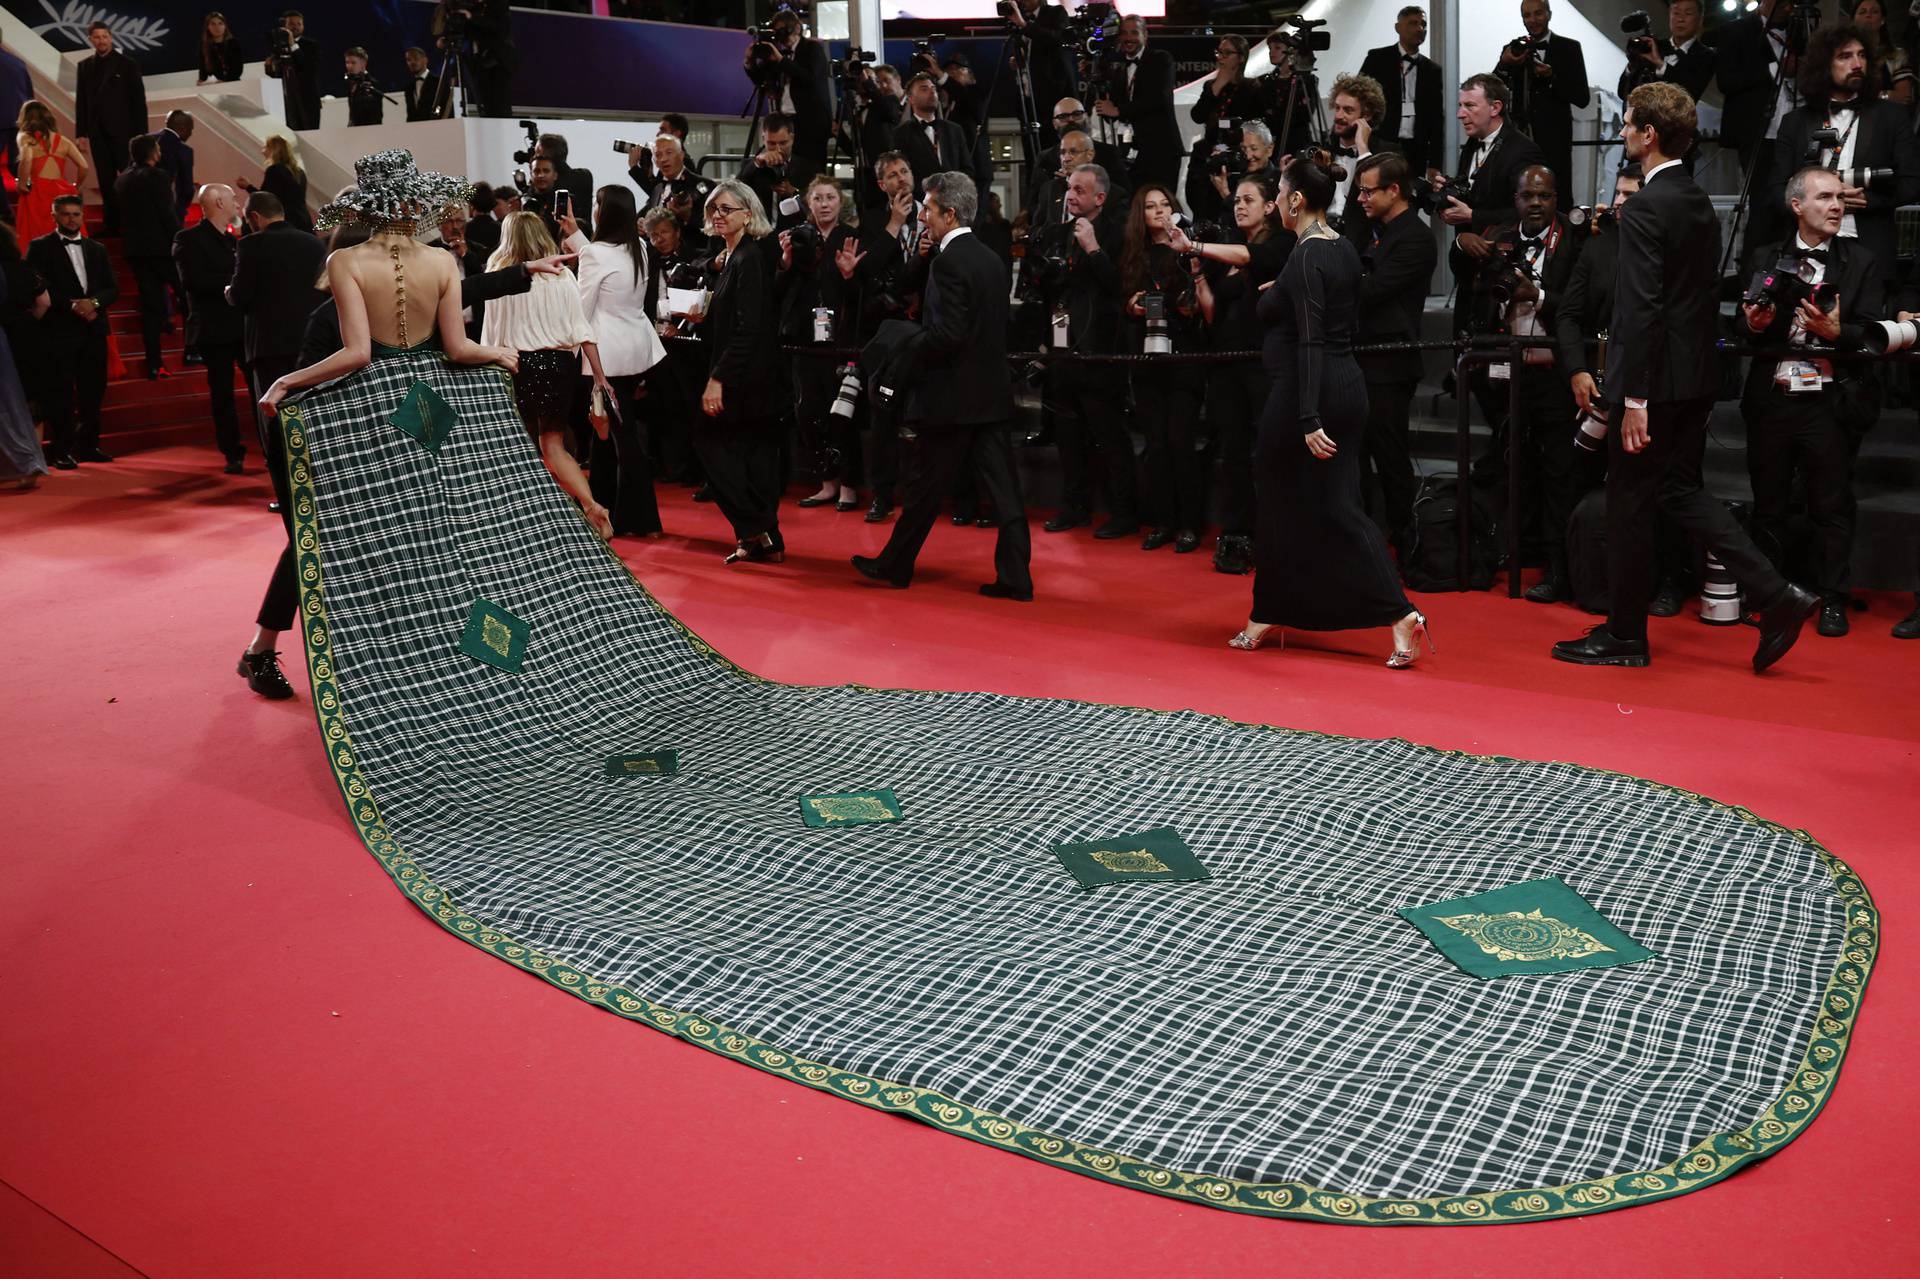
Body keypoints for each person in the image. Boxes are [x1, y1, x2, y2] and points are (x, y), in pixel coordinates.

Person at [1552, 83, 1817, 672]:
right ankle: (1777, 595)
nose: (1621, 134)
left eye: (1627, 126)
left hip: (1655, 385)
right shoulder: (1695, 198)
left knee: (1627, 504)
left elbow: (1644, 306)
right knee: (1677, 491)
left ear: (1648, 134)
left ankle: (1625, 636)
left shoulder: (1647, 205)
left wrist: (1637, 397)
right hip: (1694, 377)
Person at [240, 149, 520, 700]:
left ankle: (395, 660)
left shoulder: (346, 262)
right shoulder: (441, 262)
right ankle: (454, 657)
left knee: (345, 532)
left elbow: (359, 355)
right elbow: (460, 348)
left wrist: (286, 383)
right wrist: (499, 354)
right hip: (427, 410)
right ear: (414, 202)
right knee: (443, 526)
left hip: (362, 413)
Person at [1230, 154, 1428, 667]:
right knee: (1313, 502)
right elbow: (1339, 312)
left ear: (1296, 200)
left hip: (1306, 392)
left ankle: (1395, 610)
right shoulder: (1340, 247)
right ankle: (1275, 609)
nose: (1273, 200)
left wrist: (1307, 417)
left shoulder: (1308, 256)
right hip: (1343, 386)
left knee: (1309, 502)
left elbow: (1314, 340)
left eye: (1277, 192)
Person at [853, 171, 1031, 600]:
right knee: (1005, 496)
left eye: (928, 209)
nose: (923, 217)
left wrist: (905, 348)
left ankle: (895, 566)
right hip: (990, 395)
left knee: (923, 490)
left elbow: (948, 335)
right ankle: (1016, 579)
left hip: (951, 398)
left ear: (950, 213)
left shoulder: (950, 261)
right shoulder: (991, 257)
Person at [1740, 166, 1887, 639]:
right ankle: (1772, 594)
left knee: (1831, 504)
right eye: (1825, 197)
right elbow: (1744, 327)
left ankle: (1832, 598)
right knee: (1769, 503)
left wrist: (1836, 333)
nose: (1837, 206)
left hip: (1829, 399)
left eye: (1840, 198)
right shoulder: (1765, 256)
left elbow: (1874, 333)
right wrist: (1757, 327)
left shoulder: (1862, 261)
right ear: (1797, 206)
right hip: (1774, 396)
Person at [1460, 164, 1587, 603]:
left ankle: (1558, 566)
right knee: (1513, 466)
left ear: (1556, 199)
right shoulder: (1499, 235)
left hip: (1556, 374)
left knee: (1558, 473)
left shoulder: (1574, 241)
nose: (1535, 204)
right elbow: (1468, 271)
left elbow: (1582, 304)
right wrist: (1464, 241)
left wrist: (1538, 296)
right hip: (1505, 373)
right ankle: (1514, 549)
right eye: (1527, 196)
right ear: (1515, 199)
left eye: (1544, 196)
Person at [1179, 173, 1290, 576]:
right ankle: (1237, 534)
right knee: (1232, 452)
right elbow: (1210, 313)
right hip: (1224, 363)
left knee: (1268, 452)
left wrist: (1194, 244)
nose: (1240, 205)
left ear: (1269, 206)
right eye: (1237, 200)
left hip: (1264, 364)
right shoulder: (1223, 256)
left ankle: (1276, 534)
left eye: (1249, 199)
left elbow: (1248, 258)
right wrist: (1195, 269)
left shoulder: (1280, 245)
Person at [481, 211, 616, 540]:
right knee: (553, 445)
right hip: (560, 366)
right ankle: (590, 505)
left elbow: (491, 334)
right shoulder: (561, 275)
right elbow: (583, 330)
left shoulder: (500, 272)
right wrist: (600, 377)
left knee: (517, 449)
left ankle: (526, 523)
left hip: (517, 366)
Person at [1768, 21, 1920, 282]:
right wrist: (1813, 202)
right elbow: (1775, 191)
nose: (1857, 64)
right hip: (1808, 252)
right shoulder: (1795, 122)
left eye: (1861, 55)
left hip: (1870, 248)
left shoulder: (1892, 116)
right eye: (1845, 56)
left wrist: (1868, 200)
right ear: (1823, 64)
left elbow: (1913, 182)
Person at [559, 185, 667, 538]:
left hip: (605, 354)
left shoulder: (597, 255)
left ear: (604, 213)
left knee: (621, 435)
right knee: (606, 432)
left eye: (596, 205)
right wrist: (574, 233)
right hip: (637, 347)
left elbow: (582, 308)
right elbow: (601, 259)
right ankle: (605, 503)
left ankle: (642, 519)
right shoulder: (640, 249)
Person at [691, 180, 783, 564]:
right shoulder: (731, 257)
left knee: (716, 447)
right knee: (747, 458)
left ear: (749, 213)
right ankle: (762, 539)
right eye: (714, 208)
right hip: (744, 375)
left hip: (747, 378)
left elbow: (750, 328)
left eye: (726, 209)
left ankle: (755, 528)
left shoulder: (749, 259)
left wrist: (718, 379)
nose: (717, 215)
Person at [1038, 163, 1130, 538]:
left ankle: (1124, 512)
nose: (1071, 195)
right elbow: (1050, 286)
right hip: (1063, 347)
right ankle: (1075, 506)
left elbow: (1117, 286)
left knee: (1109, 436)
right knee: (1067, 434)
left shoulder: (1117, 232)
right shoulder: (1059, 232)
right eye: (1069, 189)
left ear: (1100, 198)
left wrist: (1092, 248)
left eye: (1079, 189)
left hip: (1100, 350)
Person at [1353, 151, 1434, 554]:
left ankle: (1406, 542)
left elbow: (1372, 290)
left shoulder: (1416, 237)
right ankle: (1361, 540)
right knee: (1355, 458)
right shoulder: (1378, 230)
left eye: (1368, 191)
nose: (1361, 199)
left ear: (1394, 190)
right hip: (1363, 357)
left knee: (1390, 459)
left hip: (1390, 363)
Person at [1120, 184, 1207, 554]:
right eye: (1150, 206)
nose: (1158, 211)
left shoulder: (1185, 249)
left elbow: (1200, 299)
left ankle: (1189, 523)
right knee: (1155, 445)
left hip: (1183, 356)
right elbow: (1119, 301)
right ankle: (1163, 521)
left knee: (1180, 443)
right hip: (1147, 358)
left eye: (1164, 205)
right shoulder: (1132, 256)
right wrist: (1131, 306)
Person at [225, 188, 325, 496]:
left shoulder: (252, 244)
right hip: (310, 345)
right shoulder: (313, 243)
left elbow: (240, 296)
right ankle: (316, 488)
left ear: (254, 217)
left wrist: (228, 291)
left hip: (269, 346)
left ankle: (286, 493)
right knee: (311, 417)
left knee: (275, 421)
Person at [777, 176, 866, 515]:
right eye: (818, 198)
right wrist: (785, 261)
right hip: (803, 341)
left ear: (840, 203)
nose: (824, 203)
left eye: (830, 197)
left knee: (841, 415)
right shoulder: (798, 237)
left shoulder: (850, 238)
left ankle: (848, 484)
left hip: (840, 343)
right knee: (807, 413)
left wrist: (849, 276)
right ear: (808, 203)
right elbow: (781, 289)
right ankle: (826, 482)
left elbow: (861, 297)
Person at [1437, 74, 1543, 333]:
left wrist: (1473, 216)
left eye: (1470, 106)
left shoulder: (1522, 150)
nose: (1461, 114)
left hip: (1501, 273)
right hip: (1469, 272)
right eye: (1460, 106)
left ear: (1495, 108)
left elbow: (1530, 214)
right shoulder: (1473, 144)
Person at [27, 195, 116, 469]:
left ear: (83, 215)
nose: (71, 219)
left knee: (93, 390)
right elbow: (36, 286)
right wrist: (73, 306)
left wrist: (95, 303)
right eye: (65, 214)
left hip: (94, 330)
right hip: (59, 331)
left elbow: (111, 288)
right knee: (61, 392)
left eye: (76, 214)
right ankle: (61, 449)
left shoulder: (97, 249)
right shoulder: (40, 247)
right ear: (54, 216)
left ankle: (89, 445)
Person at [1710, 0, 1800, 251]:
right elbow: (1726, 81)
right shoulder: (1735, 30)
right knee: (1763, 202)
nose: (1785, 5)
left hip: (1794, 128)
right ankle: (1753, 273)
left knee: (1793, 201)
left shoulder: (1800, 30)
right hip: (1756, 131)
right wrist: (1775, 68)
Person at [174, 183, 246, 471]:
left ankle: (266, 448)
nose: (237, 205)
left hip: (241, 324)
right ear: (217, 202)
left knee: (257, 388)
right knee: (222, 394)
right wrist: (233, 284)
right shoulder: (188, 239)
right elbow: (191, 281)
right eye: (232, 199)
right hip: (214, 328)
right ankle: (232, 452)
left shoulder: (234, 240)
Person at [1494, 0, 1588, 199]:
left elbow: (1582, 98)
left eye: (1538, 13)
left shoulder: (1569, 48)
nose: (1532, 20)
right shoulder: (1514, 48)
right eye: (1526, 15)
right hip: (1518, 136)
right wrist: (1503, 63)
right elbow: (1493, 89)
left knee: (1557, 193)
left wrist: (1551, 78)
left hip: (1555, 139)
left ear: (1549, 14)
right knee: (1517, 191)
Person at [116, 135, 181, 382]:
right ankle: (193, 350)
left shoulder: (122, 179)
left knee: (150, 307)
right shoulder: (158, 177)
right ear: (153, 153)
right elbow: (167, 214)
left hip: (136, 251)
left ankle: (154, 363)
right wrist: (180, 241)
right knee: (188, 296)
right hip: (162, 250)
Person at [75, 21, 147, 238]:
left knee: (129, 180)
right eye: (96, 37)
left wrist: (141, 136)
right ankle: (112, 225)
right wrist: (81, 133)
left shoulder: (128, 64)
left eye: (104, 36)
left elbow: (138, 102)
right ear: (90, 40)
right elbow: (82, 102)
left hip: (125, 134)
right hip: (97, 134)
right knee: (106, 182)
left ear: (111, 37)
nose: (101, 41)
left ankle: (134, 224)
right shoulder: (84, 66)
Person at [1092, 15, 1179, 191]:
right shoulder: (1120, 69)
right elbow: (1110, 109)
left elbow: (1158, 99)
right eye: (1124, 33)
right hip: (1132, 154)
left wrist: (1119, 110)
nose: (1128, 38)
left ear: (1145, 35)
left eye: (1134, 32)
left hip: (1161, 151)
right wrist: (1094, 74)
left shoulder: (1161, 59)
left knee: (1162, 206)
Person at [1185, 36, 1268, 219]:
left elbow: (1256, 123)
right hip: (1209, 151)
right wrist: (1217, 86)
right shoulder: (1211, 86)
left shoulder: (1251, 87)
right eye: (1219, 52)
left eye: (1227, 53)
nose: (1221, 57)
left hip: (1237, 154)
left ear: (1241, 57)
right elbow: (1197, 116)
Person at [748, 7, 833, 182]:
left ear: (797, 28)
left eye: (783, 30)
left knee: (810, 172)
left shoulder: (812, 49)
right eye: (777, 31)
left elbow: (809, 78)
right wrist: (749, 62)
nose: (781, 36)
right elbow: (763, 82)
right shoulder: (778, 53)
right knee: (784, 169)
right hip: (785, 121)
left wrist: (781, 60)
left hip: (811, 123)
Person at [1361, 6, 1445, 180]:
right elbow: (1360, 98)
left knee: (1411, 199)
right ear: (1398, 27)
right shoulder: (1377, 59)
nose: (1420, 28)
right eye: (1413, 23)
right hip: (1382, 141)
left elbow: (1436, 118)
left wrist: (1435, 163)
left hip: (1416, 148)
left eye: (1423, 24)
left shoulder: (1432, 70)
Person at [0, 223, 50, 489]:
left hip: (4, 339)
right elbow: (45, 303)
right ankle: (34, 462)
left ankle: (15, 464)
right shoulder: (25, 269)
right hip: (27, 337)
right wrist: (28, 323)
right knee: (32, 400)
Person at [14, 100, 89, 246]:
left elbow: (27, 159)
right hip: (61, 191)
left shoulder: (24, 137)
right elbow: (84, 166)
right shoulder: (63, 141)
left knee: (36, 237)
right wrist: (77, 186)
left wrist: (22, 183)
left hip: (37, 191)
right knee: (66, 235)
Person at [1326, 74, 1385, 247]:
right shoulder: (1323, 150)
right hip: (1321, 239)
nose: (1339, 116)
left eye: (1348, 110)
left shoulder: (1385, 154)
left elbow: (1377, 199)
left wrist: (1362, 146)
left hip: (1361, 243)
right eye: (1337, 108)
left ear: (1366, 115)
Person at [1617, 0, 1714, 103]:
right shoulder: (1652, 46)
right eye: (1676, 13)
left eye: (1688, 13)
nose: (1680, 19)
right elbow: (1622, 93)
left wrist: (1660, 64)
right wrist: (1631, 66)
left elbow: (1689, 97)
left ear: (1700, 19)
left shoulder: (1707, 56)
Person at [891, 73, 971, 193]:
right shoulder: (901, 134)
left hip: (953, 202)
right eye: (924, 89)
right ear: (911, 98)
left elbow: (967, 168)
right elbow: (901, 174)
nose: (932, 92)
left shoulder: (954, 130)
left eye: (933, 88)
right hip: (921, 203)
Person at [238, 135, 312, 234]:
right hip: (303, 220)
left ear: (273, 150)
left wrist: (248, 187)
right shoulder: (299, 172)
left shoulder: (275, 170)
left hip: (287, 221)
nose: (262, 150)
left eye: (266, 147)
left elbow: (266, 199)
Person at [1850, 0, 1917, 105]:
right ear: (1853, 20)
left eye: (1874, 12)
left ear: (1883, 20)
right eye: (1862, 12)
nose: (1868, 15)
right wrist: (1888, 95)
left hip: (1886, 117)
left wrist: (1872, 96)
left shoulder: (1897, 55)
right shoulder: (1843, 54)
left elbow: (1904, 96)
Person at [266, 10, 323, 132]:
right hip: (287, 101)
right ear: (284, 26)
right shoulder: (279, 46)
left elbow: (307, 68)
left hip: (307, 100)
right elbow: (277, 74)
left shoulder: (311, 45)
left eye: (299, 24)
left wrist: (293, 45)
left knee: (310, 135)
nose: (296, 27)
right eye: (292, 24)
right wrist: (270, 66)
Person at [739, 113, 798, 231]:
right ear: (763, 139)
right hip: (759, 234)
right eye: (771, 143)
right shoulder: (752, 166)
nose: (778, 149)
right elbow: (735, 191)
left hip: (793, 234)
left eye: (783, 143)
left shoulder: (804, 166)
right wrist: (757, 164)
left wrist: (795, 193)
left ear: (792, 138)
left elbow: (814, 201)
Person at [630, 135, 712, 216]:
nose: (663, 159)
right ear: (656, 162)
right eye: (658, 155)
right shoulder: (658, 188)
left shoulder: (705, 185)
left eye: (669, 153)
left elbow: (710, 223)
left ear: (681, 155)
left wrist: (686, 217)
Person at [157, 110, 195, 218]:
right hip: (171, 211)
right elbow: (186, 187)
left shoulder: (145, 140)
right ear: (182, 128)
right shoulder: (183, 150)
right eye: (190, 129)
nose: (190, 133)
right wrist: (181, 208)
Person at [342, 47, 384, 127]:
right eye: (347, 62)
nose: (349, 66)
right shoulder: (351, 83)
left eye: (353, 63)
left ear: (364, 63)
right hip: (355, 131)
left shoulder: (373, 84)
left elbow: (376, 116)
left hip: (369, 131)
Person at [199, 12, 244, 84]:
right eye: (213, 24)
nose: (217, 27)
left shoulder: (233, 43)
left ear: (225, 26)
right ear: (208, 27)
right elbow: (203, 70)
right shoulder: (205, 46)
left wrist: (224, 81)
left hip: (233, 83)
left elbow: (237, 69)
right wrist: (201, 80)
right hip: (213, 86)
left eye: (220, 23)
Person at [402, 46, 437, 121]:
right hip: (416, 129)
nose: (412, 62)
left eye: (416, 58)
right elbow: (411, 114)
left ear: (425, 60)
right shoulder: (409, 88)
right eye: (409, 60)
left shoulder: (438, 82)